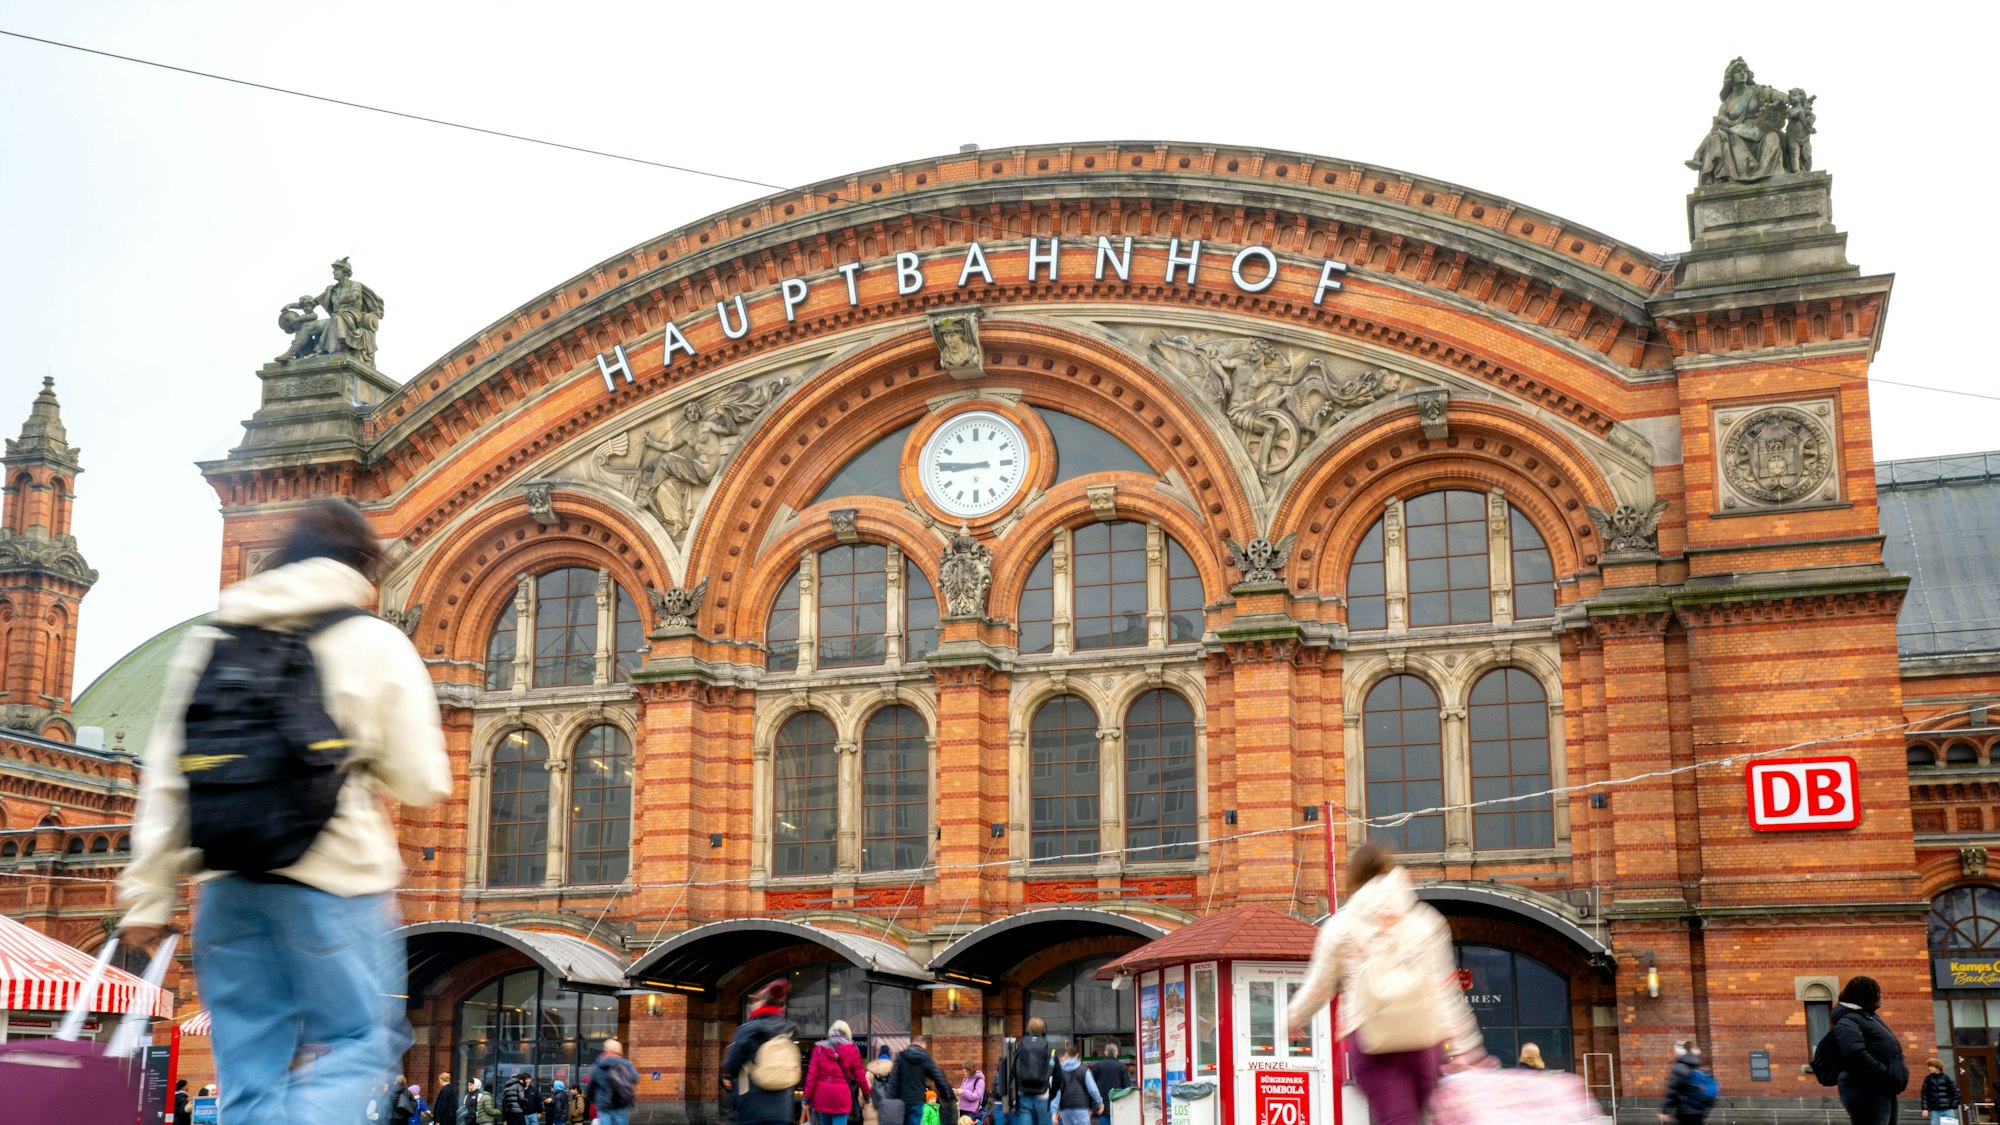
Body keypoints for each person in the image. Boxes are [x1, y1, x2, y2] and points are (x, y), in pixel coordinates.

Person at [117, 499, 453, 1125]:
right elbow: (421, 779)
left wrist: (147, 898)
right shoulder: (373, 640)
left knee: (246, 1066)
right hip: (333, 881)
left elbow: (166, 775)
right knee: (360, 1042)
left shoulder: (213, 640)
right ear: (361, 567)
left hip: (225, 885)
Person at [1286, 843, 1483, 1125]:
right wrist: (1466, 1046)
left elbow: (1319, 986)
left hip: (1372, 1041)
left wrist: (1293, 1018)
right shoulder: (1424, 921)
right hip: (1422, 1041)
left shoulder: (1341, 926)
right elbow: (1443, 990)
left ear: (1354, 877)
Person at [1827, 976, 1910, 1125]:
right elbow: (1855, 1054)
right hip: (1865, 1089)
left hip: (1882, 1088)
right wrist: (1884, 1073)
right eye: (1877, 994)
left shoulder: (1868, 1017)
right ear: (1864, 996)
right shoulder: (1847, 1021)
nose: (1881, 997)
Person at [804, 1019, 872, 1125]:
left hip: (823, 1096)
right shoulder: (851, 1049)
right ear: (847, 1033)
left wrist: (806, 1097)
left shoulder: (819, 1048)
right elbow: (860, 1076)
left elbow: (812, 1075)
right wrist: (867, 1096)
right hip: (841, 1097)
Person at [887, 1036, 954, 1125]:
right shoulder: (925, 1058)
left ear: (912, 1044)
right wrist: (946, 1096)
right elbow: (938, 1078)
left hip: (901, 1101)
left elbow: (893, 1080)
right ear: (924, 1045)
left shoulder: (901, 1057)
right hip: (916, 1101)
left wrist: (890, 1099)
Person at [1003, 1021, 1057, 1125]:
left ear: (1028, 1031)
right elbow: (1058, 1076)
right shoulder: (1048, 1049)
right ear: (1044, 1032)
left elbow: (1012, 1070)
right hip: (1043, 1096)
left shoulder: (1021, 1047)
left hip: (1023, 1095)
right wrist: (1052, 1094)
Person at [586, 1038, 643, 1125]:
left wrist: (595, 1100)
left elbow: (590, 1087)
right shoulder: (626, 1064)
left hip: (604, 1105)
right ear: (619, 1051)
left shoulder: (598, 1065)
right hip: (621, 1104)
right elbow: (635, 1078)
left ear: (606, 1050)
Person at [1659, 1040, 1707, 1125]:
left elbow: (1672, 1091)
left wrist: (1665, 1110)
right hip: (1699, 1111)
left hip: (1684, 1111)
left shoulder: (1679, 1067)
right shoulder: (1699, 1066)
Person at [1054, 1045, 1103, 1125]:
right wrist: (1099, 1102)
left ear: (1066, 1055)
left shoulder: (1061, 1071)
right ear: (1077, 1055)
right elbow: (1092, 1089)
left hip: (1066, 1108)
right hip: (1081, 1108)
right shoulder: (1084, 1069)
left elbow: (1057, 1092)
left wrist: (1055, 1110)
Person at [1086, 1041, 1130, 1124]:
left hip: (1101, 1107)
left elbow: (1090, 1087)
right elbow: (1126, 1088)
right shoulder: (1122, 1067)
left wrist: (1090, 1105)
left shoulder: (1096, 1066)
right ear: (1116, 1052)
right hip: (1118, 1106)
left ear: (1105, 1053)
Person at [1921, 1059, 1960, 1125]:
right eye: (1929, 1066)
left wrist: (1953, 1106)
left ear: (1937, 1067)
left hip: (1947, 1109)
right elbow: (1924, 1095)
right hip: (1935, 1110)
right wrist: (1925, 1109)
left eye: (1931, 1066)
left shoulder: (1946, 1078)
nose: (1929, 1068)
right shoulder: (1928, 1079)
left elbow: (1956, 1093)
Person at [868, 1046, 899, 1125]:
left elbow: (864, 1091)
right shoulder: (894, 1070)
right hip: (890, 1108)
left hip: (872, 1107)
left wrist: (864, 1102)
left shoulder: (870, 1071)